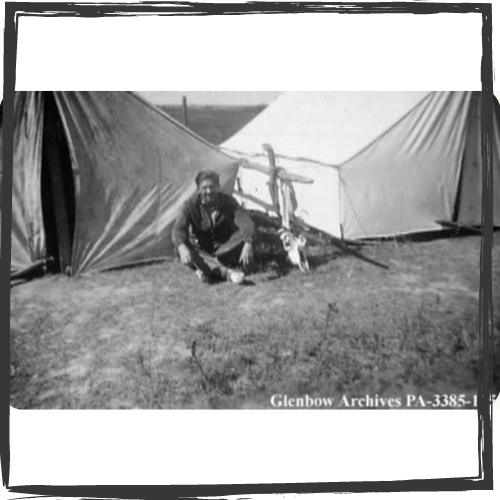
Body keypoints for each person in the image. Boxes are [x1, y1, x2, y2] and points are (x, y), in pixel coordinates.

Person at [172, 170, 255, 283]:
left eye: (212, 187)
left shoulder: (228, 201)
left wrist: (248, 241)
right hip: (202, 248)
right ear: (198, 189)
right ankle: (227, 273)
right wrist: (182, 247)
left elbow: (244, 219)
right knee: (182, 246)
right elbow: (178, 229)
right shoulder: (190, 205)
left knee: (247, 234)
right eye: (204, 188)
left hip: (224, 247)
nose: (209, 191)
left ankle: (202, 270)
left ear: (218, 186)